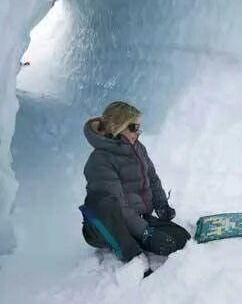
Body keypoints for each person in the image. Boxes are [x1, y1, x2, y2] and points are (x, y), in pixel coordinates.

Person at [79, 101, 190, 276]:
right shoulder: (100, 160)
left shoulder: (138, 149)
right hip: (106, 225)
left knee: (179, 239)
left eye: (138, 128)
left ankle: (137, 236)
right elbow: (119, 204)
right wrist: (145, 232)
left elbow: (152, 178)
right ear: (117, 126)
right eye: (133, 127)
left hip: (134, 218)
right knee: (107, 203)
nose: (137, 133)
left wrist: (161, 204)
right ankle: (133, 257)